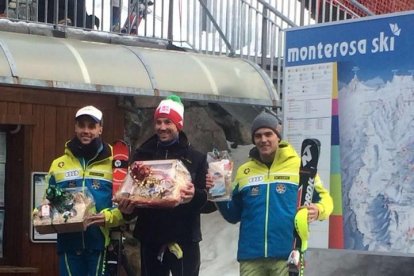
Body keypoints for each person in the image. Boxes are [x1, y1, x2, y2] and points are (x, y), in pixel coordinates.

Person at [209, 112, 333, 276]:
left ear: (278, 136)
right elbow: (233, 215)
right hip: (251, 257)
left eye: (269, 134)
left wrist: (319, 209)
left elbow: (326, 200)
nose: (263, 139)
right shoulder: (245, 171)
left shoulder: (299, 166)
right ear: (253, 139)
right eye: (258, 135)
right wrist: (218, 191)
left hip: (287, 254)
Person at [118, 95, 209, 276]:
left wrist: (195, 196)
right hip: (151, 238)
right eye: (158, 122)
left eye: (168, 122)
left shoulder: (197, 158)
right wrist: (126, 211)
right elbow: (133, 196)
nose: (162, 127)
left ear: (179, 124)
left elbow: (210, 204)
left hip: (184, 239)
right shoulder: (142, 156)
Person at [45, 105, 124, 276]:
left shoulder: (116, 163)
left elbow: (126, 206)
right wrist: (40, 213)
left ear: (100, 128)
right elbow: (48, 201)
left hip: (100, 242)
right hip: (68, 244)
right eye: (81, 125)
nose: (86, 131)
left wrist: (108, 217)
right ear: (75, 127)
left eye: (91, 126)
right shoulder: (59, 164)